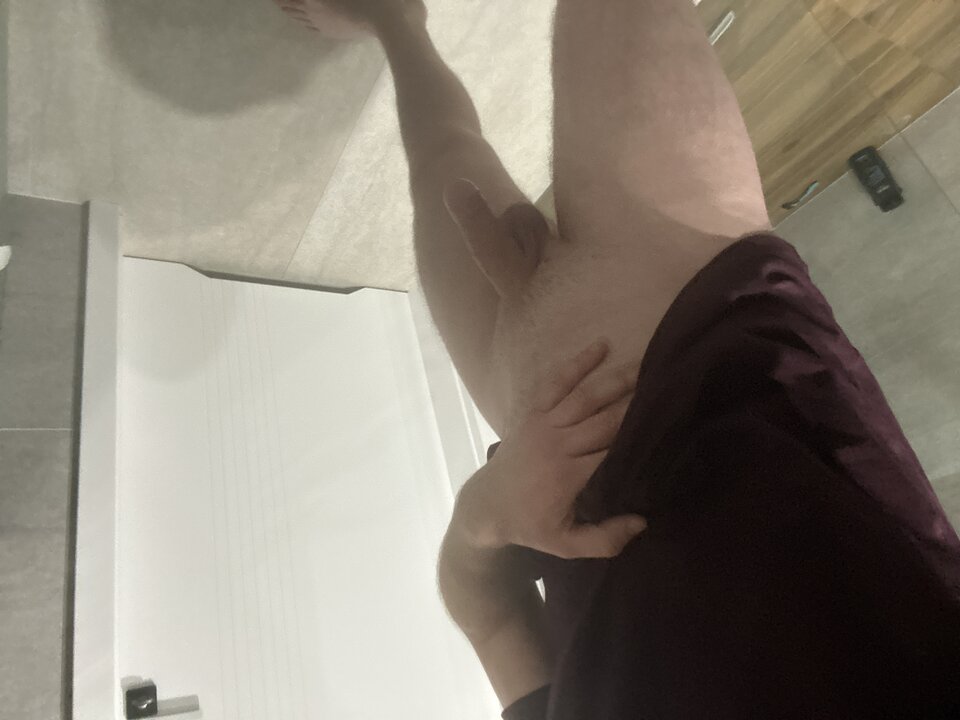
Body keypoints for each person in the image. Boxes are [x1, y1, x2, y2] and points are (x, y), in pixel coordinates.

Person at [275, 0, 960, 717]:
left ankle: (393, 19)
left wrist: (486, 515)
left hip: (537, 419)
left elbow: (490, 617)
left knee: (440, 158)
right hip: (722, 311)